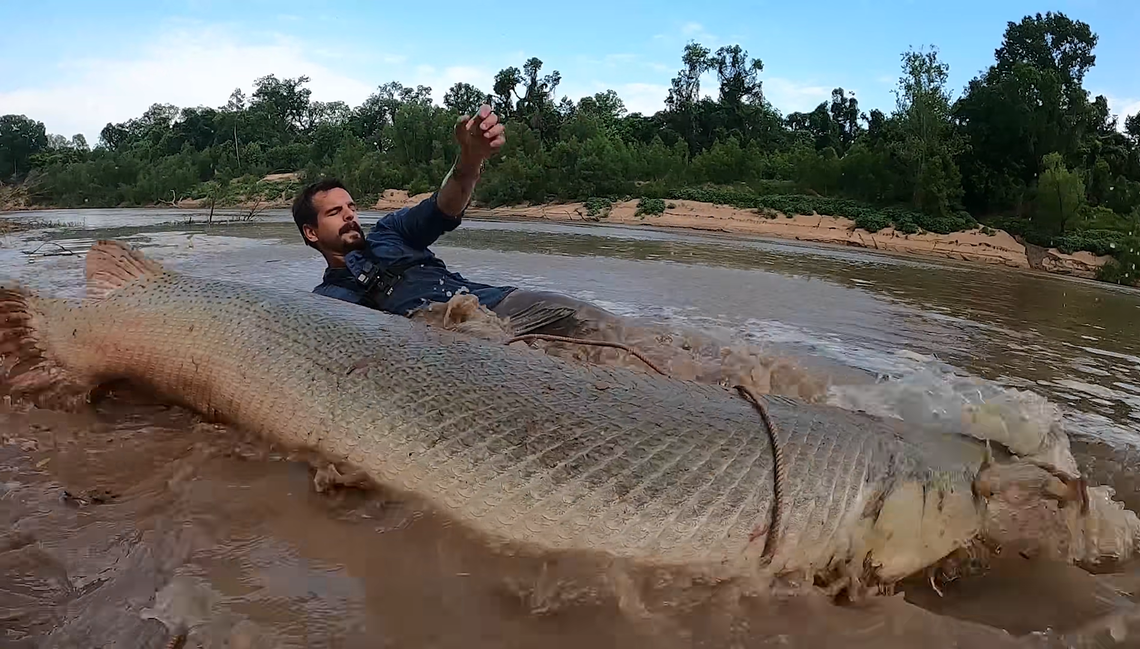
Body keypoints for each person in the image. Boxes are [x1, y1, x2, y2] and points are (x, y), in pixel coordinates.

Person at [292, 103, 618, 338]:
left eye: (351, 207)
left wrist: (470, 160)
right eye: (335, 212)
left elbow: (444, 206)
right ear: (311, 232)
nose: (349, 215)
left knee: (585, 317)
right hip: (441, 343)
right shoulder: (326, 302)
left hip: (496, 305)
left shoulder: (391, 232)